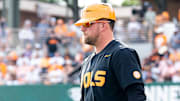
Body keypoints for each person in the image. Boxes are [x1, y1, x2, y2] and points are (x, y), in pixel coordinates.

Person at [74, 3, 146, 101]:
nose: (82, 29)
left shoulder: (121, 54)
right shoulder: (87, 62)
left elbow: (136, 96)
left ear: (103, 25)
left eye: (87, 24)